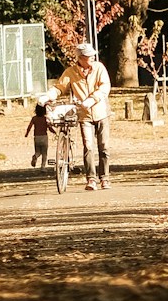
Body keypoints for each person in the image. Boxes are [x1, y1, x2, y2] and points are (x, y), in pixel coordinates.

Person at [56, 40, 112, 192]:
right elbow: (60, 87)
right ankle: (91, 179)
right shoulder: (71, 72)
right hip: (84, 115)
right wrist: (48, 96)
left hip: (101, 113)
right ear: (80, 58)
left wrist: (92, 99)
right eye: (88, 56)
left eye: (93, 55)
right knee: (88, 146)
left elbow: (105, 86)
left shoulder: (99, 68)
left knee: (104, 147)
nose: (92, 58)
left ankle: (104, 178)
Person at [25, 98, 50, 169]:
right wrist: (54, 132)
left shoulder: (34, 118)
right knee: (44, 153)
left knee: (38, 151)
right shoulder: (45, 119)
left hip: (36, 137)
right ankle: (43, 167)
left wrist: (27, 133)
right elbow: (49, 127)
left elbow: (29, 126)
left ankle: (35, 156)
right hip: (44, 137)